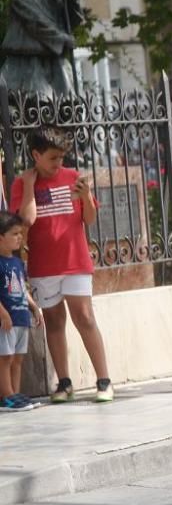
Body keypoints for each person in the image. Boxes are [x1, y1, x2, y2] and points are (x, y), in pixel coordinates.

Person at [9, 125, 115, 403]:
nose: (60, 164)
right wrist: (30, 186)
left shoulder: (73, 178)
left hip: (75, 261)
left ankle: (104, 380)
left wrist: (85, 198)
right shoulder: (22, 184)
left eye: (62, 158)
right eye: (53, 158)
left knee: (85, 317)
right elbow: (26, 221)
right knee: (54, 322)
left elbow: (89, 219)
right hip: (44, 265)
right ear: (36, 155)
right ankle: (64, 382)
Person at [0, 0, 83, 99]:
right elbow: (36, 23)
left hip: (55, 64)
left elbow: (72, 22)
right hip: (26, 66)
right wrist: (62, 39)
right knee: (37, 105)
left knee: (66, 106)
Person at [0, 212, 42, 412]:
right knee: (5, 358)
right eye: (14, 233)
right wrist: (3, 313)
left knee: (18, 359)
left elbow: (22, 289)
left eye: (20, 233)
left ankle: (15, 395)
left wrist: (33, 307)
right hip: (7, 320)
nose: (20, 237)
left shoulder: (17, 263)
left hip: (21, 317)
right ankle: (6, 396)